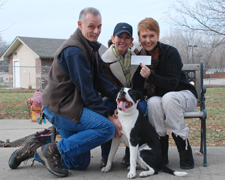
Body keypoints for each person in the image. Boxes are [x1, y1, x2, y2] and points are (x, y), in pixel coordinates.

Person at [8, 7, 122, 177]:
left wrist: (120, 96)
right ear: (79, 24)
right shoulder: (74, 51)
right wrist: (109, 116)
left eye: (99, 27)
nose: (96, 31)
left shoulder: (91, 48)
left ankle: (34, 149)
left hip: (73, 105)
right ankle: (52, 149)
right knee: (107, 128)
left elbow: (100, 80)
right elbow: (88, 91)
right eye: (91, 26)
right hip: (61, 108)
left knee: (79, 163)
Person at [136, 17, 198, 169]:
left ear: (157, 35)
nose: (148, 40)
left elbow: (173, 83)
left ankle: (185, 151)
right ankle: (161, 153)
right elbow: (138, 85)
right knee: (153, 102)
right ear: (139, 38)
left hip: (183, 95)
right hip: (161, 99)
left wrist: (151, 76)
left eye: (151, 35)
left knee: (168, 98)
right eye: (144, 36)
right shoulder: (140, 57)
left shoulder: (170, 52)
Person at [100, 22, 147, 167]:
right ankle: (105, 156)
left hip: (131, 99)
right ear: (113, 38)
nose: (123, 40)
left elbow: (139, 84)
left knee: (143, 107)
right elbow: (107, 86)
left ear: (131, 41)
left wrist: (137, 99)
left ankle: (129, 155)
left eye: (127, 37)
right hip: (112, 97)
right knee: (107, 108)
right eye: (120, 36)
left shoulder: (136, 58)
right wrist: (118, 104)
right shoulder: (104, 60)